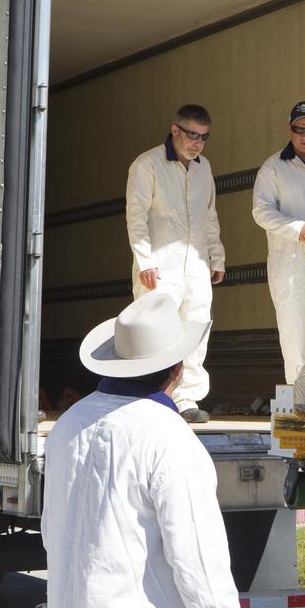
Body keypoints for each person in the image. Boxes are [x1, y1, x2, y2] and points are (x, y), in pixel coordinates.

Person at [42, 291, 255, 608]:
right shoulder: (170, 437)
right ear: (178, 371)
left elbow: (52, 531)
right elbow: (197, 559)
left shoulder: (68, 423)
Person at [126, 104, 225, 423]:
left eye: (204, 137)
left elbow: (209, 215)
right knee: (157, 330)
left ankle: (187, 399)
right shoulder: (147, 164)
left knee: (197, 327)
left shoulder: (203, 167)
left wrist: (217, 255)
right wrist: (144, 261)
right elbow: (136, 217)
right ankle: (151, 394)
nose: (198, 143)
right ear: (175, 130)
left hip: (195, 264)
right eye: (192, 135)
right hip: (160, 265)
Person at [252, 100, 305, 384]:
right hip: (292, 265)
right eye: (298, 129)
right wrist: (296, 228)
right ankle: (301, 398)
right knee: (296, 332)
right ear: (290, 130)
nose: (304, 136)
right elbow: (261, 211)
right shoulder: (274, 167)